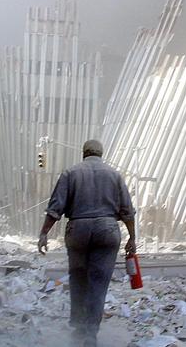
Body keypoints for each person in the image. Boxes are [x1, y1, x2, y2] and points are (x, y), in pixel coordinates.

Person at [37, 139, 136, 347]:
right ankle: (91, 334)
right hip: (107, 230)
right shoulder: (115, 175)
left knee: (78, 279)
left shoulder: (70, 173)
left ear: (83, 153)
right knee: (99, 283)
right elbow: (127, 210)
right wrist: (132, 237)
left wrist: (44, 233)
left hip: (78, 229)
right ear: (101, 154)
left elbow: (56, 207)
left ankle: (78, 328)